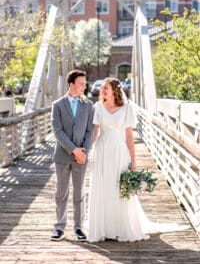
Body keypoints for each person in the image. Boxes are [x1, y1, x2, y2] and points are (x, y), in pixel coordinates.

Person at [88, 77, 187, 242]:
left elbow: (129, 137)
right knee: (103, 187)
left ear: (115, 90)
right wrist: (84, 151)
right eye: (102, 88)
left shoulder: (126, 109)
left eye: (106, 87)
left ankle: (120, 227)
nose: (102, 90)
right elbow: (94, 134)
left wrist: (133, 162)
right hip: (102, 151)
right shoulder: (97, 107)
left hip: (120, 151)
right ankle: (104, 228)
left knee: (119, 188)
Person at [51, 70, 94, 241]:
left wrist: (83, 151)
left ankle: (78, 228)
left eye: (85, 84)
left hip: (81, 157)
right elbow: (57, 131)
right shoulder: (58, 105)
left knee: (79, 193)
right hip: (62, 156)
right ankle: (59, 227)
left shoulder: (88, 105)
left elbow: (90, 130)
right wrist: (73, 150)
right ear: (71, 85)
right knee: (61, 192)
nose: (84, 87)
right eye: (81, 84)